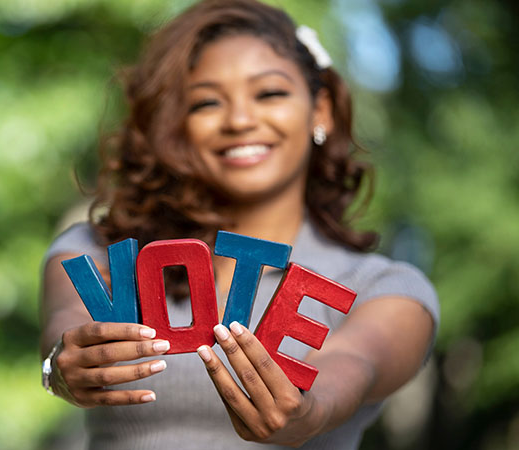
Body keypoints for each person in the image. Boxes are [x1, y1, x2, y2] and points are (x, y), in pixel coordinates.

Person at [39, 0, 439, 448]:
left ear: (320, 109)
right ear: (177, 126)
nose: (240, 120)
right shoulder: (98, 253)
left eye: (269, 93)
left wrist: (311, 410)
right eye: (206, 102)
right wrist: (61, 364)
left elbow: (354, 364)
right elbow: (65, 326)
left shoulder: (383, 289)